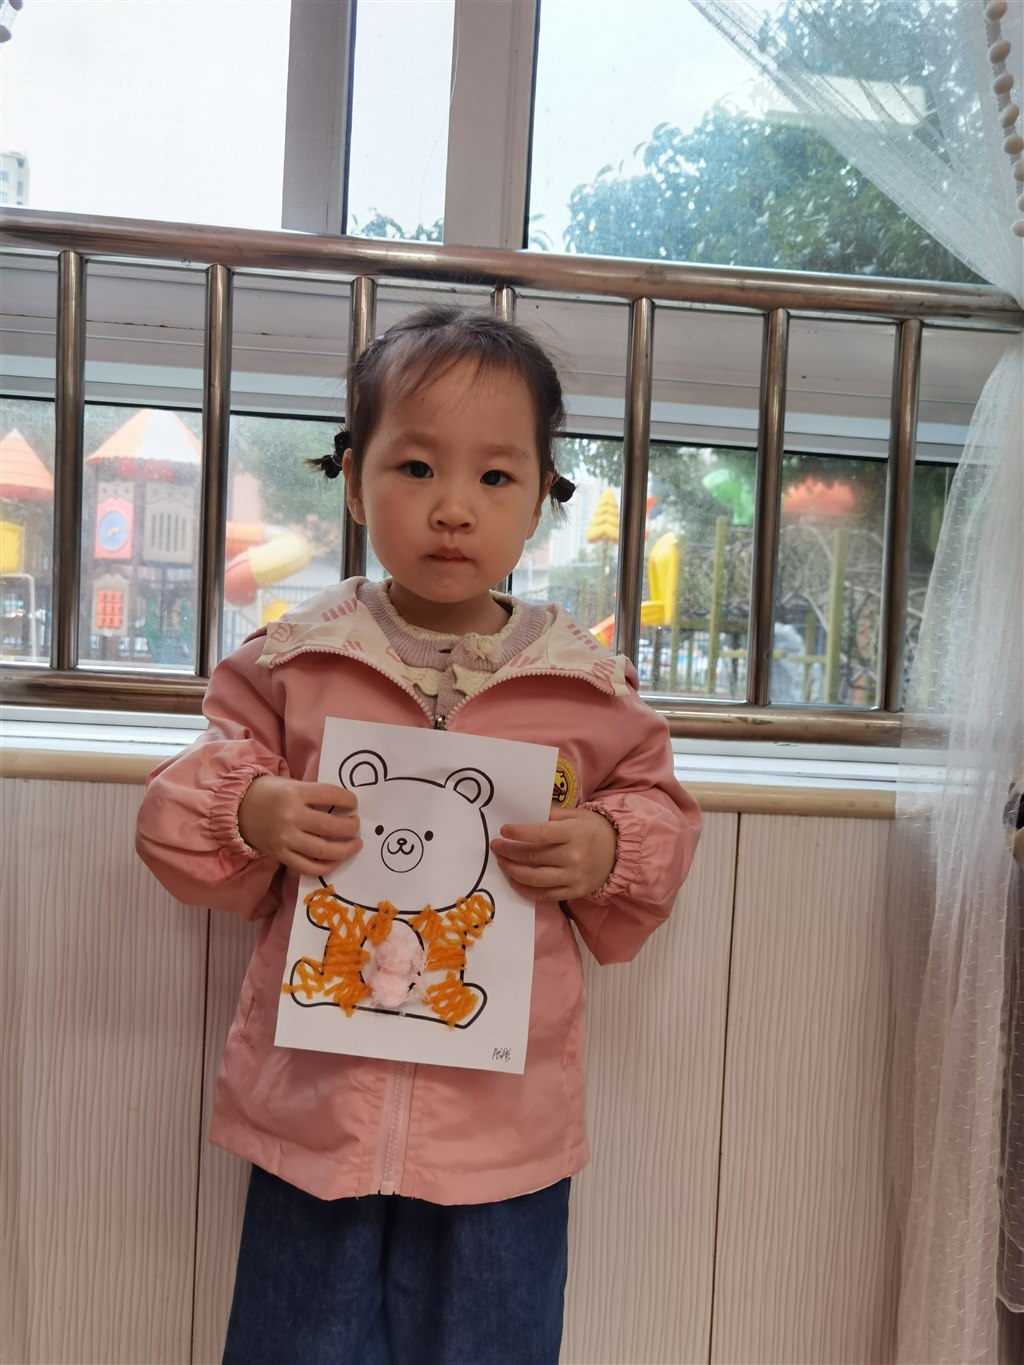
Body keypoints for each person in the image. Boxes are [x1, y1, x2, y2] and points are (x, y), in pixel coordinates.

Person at [136, 305, 702, 1365]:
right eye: (415, 467)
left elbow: (661, 816)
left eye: (495, 476)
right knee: (297, 1345)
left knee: (491, 1344)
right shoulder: (293, 661)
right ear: (354, 481)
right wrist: (252, 810)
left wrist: (606, 846)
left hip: (503, 1129)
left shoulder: (586, 684)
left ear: (540, 500)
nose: (453, 507)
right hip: (316, 1117)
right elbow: (175, 814)